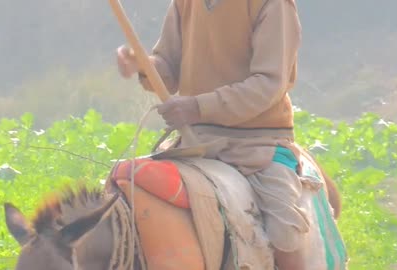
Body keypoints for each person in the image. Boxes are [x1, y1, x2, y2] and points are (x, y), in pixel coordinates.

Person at [116, 0, 308, 269]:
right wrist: (144, 64)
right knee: (123, 199)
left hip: (258, 142)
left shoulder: (273, 4)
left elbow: (268, 84)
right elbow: (168, 69)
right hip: (195, 141)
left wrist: (197, 107)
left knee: (285, 232)